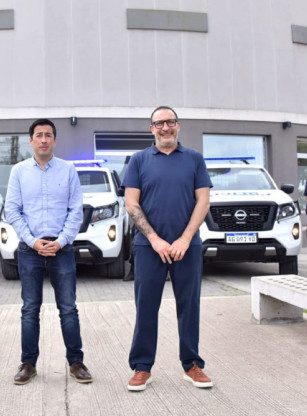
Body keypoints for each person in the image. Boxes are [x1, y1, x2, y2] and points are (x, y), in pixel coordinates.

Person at [121, 106, 213, 392]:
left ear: (178, 126)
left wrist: (185, 239)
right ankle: (142, 367)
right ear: (151, 129)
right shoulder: (138, 160)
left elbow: (203, 202)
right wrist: (156, 240)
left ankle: (192, 365)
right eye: (159, 123)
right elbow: (131, 203)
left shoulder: (195, 159)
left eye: (169, 122)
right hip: (149, 247)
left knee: (189, 306)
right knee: (146, 306)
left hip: (187, 246)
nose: (165, 127)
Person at [4, 118, 92, 385]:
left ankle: (76, 362)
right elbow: (12, 210)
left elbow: (75, 211)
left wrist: (62, 241)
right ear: (31, 140)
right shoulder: (18, 171)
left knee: (68, 308)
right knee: (30, 308)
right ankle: (28, 364)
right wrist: (32, 241)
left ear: (55, 140)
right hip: (30, 250)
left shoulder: (68, 170)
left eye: (48, 135)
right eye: (39, 135)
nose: (43, 139)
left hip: (61, 249)